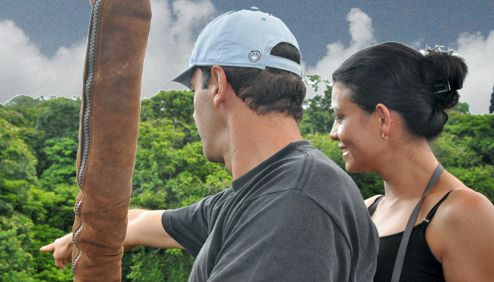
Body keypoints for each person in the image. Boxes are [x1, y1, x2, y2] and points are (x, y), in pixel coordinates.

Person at [41, 9, 379, 281]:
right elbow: (144, 223)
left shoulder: (291, 206)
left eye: (193, 91)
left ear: (217, 84)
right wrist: (85, 238)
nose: (193, 110)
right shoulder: (266, 191)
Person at [329, 41, 494, 281]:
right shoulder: (366, 211)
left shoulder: (465, 213)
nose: (333, 133)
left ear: (383, 119)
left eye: (340, 117)